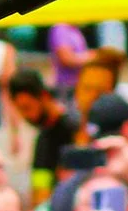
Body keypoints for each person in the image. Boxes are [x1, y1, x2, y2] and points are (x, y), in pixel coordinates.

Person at [7, 70, 77, 201]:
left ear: (43, 96)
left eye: (27, 107)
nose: (25, 116)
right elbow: (40, 189)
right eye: (20, 110)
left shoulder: (75, 129)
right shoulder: (43, 140)